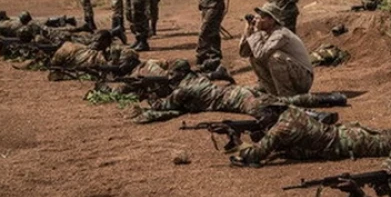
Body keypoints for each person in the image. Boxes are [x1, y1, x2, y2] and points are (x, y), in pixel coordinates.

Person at [230, 105, 391, 166]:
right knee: (388, 133)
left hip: (348, 142)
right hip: (346, 131)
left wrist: (239, 146)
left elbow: (255, 156)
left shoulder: (280, 130)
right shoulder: (291, 113)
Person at [130, 68, 347, 124]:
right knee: (283, 101)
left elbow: (165, 106)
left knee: (272, 110)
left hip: (237, 100)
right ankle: (332, 97)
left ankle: (315, 116)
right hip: (240, 91)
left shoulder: (183, 90)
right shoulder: (195, 79)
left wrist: (148, 96)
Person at [239, 2, 314, 96]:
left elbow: (260, 54)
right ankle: (273, 94)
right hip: (293, 73)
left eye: (262, 17)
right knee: (253, 58)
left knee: (275, 57)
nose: (258, 20)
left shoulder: (280, 34)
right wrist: (248, 31)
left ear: (272, 20)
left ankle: (287, 95)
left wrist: (256, 32)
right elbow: (244, 53)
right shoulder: (264, 33)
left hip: (303, 79)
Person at [49, 30, 139, 75]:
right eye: (95, 41)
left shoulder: (117, 50)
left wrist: (100, 68)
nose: (95, 44)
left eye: (98, 41)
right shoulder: (70, 48)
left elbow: (122, 64)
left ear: (106, 42)